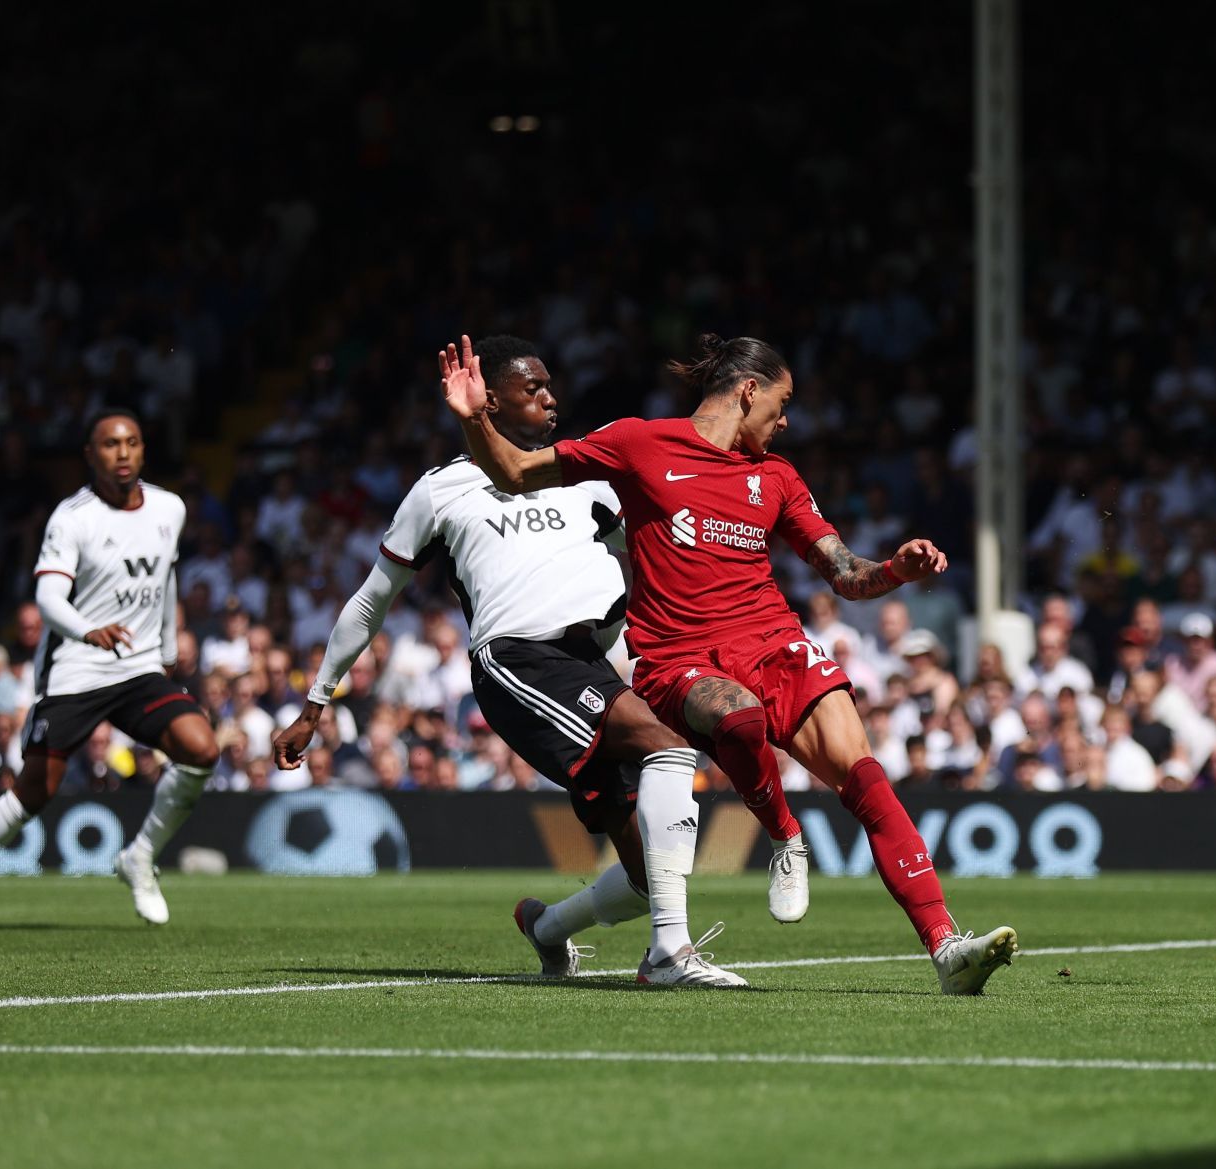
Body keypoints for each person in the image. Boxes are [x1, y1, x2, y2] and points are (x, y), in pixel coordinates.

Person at [443, 331, 1017, 994]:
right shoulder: (639, 442)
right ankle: (784, 833)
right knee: (737, 717)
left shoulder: (776, 477)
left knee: (865, 777)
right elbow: (515, 471)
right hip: (676, 653)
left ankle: (947, 948)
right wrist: (475, 417)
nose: (787, 418)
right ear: (749, 391)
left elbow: (847, 574)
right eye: (782, 401)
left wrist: (896, 569)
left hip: (771, 638)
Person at [274, 336, 740, 987]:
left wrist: (643, 670)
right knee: (668, 751)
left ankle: (547, 929)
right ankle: (668, 955)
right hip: (518, 662)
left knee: (646, 874)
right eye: (533, 388)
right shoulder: (442, 489)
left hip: (588, 668)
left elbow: (620, 593)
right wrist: (316, 701)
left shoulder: (586, 482)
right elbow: (371, 600)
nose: (551, 398)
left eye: (551, 386)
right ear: (489, 400)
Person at [0, 410, 221, 932]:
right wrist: (87, 631)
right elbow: (48, 598)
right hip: (74, 670)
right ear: (90, 455)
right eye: (109, 444)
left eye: (131, 442)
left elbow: (165, 581)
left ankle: (139, 857)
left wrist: (168, 648)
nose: (122, 452)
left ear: (144, 451)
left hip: (140, 666)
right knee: (35, 791)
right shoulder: (72, 517)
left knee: (201, 748)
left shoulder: (170, 508)